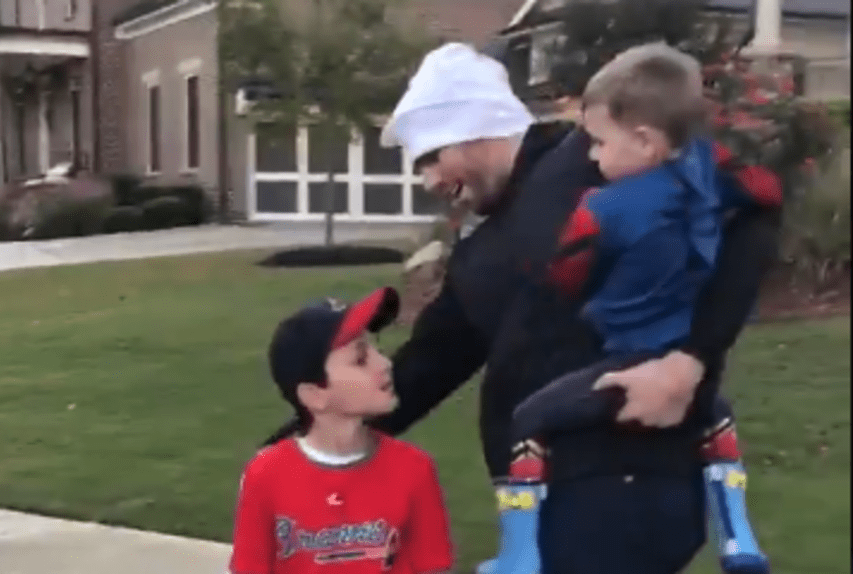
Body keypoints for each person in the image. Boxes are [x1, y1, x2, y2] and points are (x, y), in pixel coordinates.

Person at [261, 43, 781, 574]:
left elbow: (752, 217)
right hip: (555, 506)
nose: (428, 182)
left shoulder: (595, 152)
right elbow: (422, 372)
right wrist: (279, 458)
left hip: (632, 483)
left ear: (469, 129)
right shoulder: (479, 257)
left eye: (430, 158)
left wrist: (689, 362)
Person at [497, 44, 771, 574]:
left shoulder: (604, 208)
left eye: (599, 142)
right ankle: (738, 536)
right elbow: (766, 191)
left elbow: (562, 275)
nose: (593, 158)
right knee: (713, 415)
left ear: (644, 140)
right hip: (685, 349)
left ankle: (518, 554)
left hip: (623, 355)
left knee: (529, 419)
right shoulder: (709, 177)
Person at [230, 287, 456, 574]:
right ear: (315, 396)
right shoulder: (265, 476)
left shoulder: (415, 469)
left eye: (377, 350)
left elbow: (432, 566)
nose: (385, 364)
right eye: (361, 360)